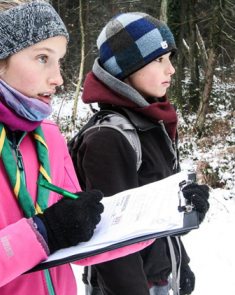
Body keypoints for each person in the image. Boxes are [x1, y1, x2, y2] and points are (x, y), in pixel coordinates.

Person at [0, 1, 153, 294]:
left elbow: (78, 234)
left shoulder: (46, 131)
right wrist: (40, 235)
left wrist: (158, 222)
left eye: (59, 60)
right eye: (43, 58)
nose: (58, 78)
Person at [69, 12, 210, 295]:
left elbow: (149, 217)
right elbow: (112, 243)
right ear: (126, 68)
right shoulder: (108, 138)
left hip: (158, 276)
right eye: (159, 59)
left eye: (169, 58)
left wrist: (185, 219)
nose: (171, 69)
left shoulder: (151, 121)